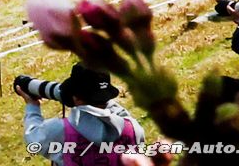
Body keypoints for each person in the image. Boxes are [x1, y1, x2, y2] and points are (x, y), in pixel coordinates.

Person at [18, 64, 147, 160]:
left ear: (76, 97)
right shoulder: (133, 129)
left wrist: (32, 106)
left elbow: (33, 138)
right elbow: (115, 111)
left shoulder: (61, 130)